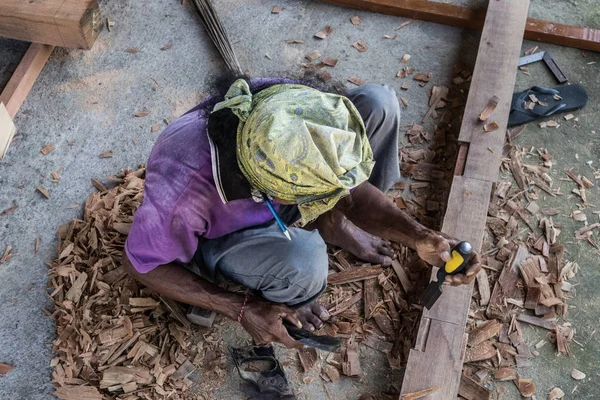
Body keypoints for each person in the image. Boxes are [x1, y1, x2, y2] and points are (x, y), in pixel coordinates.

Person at [122, 77, 481, 349]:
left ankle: (332, 221)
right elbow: (143, 264)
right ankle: (297, 250)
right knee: (305, 268)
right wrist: (240, 306)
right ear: (266, 190)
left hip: (278, 189)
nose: (344, 195)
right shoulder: (182, 197)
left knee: (378, 103)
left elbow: (349, 193)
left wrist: (421, 237)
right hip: (226, 233)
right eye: (324, 197)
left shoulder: (281, 104)